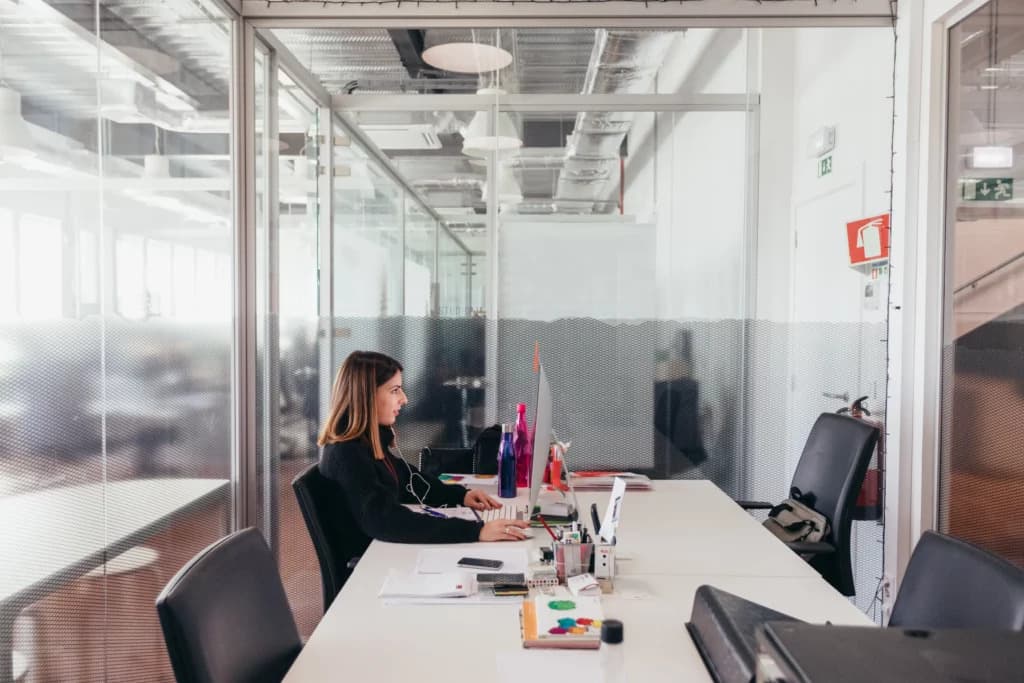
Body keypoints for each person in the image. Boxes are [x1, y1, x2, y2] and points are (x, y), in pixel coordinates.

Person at [318, 350, 530, 544]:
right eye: (395, 390)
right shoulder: (347, 453)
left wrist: (459, 496)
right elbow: (385, 520)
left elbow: (409, 480)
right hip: (371, 563)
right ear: (367, 397)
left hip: (383, 551)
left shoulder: (366, 443)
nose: (404, 399)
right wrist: (476, 531)